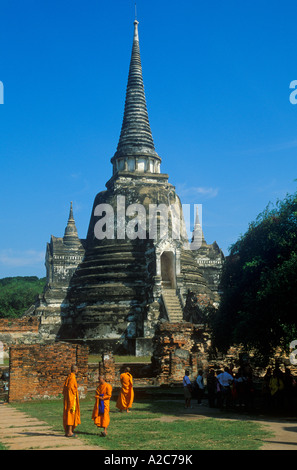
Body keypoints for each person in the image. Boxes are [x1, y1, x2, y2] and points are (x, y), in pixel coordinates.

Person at [63, 364, 81, 437]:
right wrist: (72, 401)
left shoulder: (69, 377)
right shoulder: (72, 378)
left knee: (68, 414)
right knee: (71, 414)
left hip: (68, 399)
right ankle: (70, 432)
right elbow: (70, 389)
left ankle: (67, 431)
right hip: (71, 399)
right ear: (76, 370)